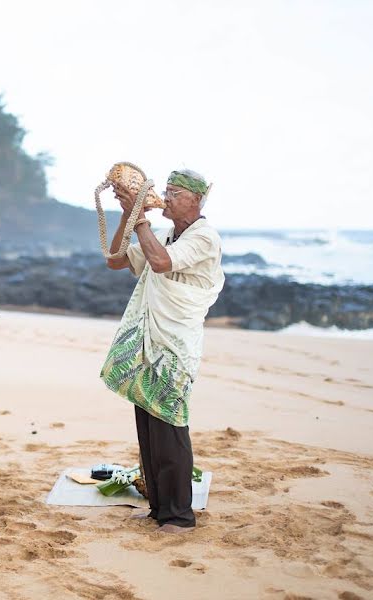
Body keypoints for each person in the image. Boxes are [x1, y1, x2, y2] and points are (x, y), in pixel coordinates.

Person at [103, 168, 224, 533]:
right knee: (149, 419)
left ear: (195, 200)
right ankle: (158, 508)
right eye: (165, 191)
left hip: (176, 342)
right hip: (151, 337)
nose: (167, 198)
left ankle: (179, 516)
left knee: (171, 421)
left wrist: (140, 219)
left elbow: (161, 263)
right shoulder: (170, 234)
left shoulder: (204, 237)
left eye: (174, 193)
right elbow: (115, 260)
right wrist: (127, 213)